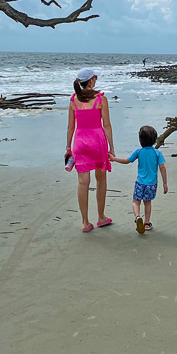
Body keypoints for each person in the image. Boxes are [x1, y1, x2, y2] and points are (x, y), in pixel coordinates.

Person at [66, 67, 114, 233]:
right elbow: (106, 125)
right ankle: (101, 217)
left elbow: (70, 128)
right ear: (92, 80)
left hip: (80, 142)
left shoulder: (73, 100)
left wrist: (68, 147)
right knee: (101, 179)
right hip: (97, 142)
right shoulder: (101, 99)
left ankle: (85, 222)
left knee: (82, 182)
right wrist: (111, 147)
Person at [111, 125, 168, 235]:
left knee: (136, 202)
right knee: (147, 203)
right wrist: (165, 183)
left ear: (140, 140)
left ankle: (137, 217)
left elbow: (127, 161)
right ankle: (146, 223)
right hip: (152, 184)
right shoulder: (157, 153)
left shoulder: (139, 152)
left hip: (140, 183)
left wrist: (114, 159)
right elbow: (162, 168)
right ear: (154, 140)